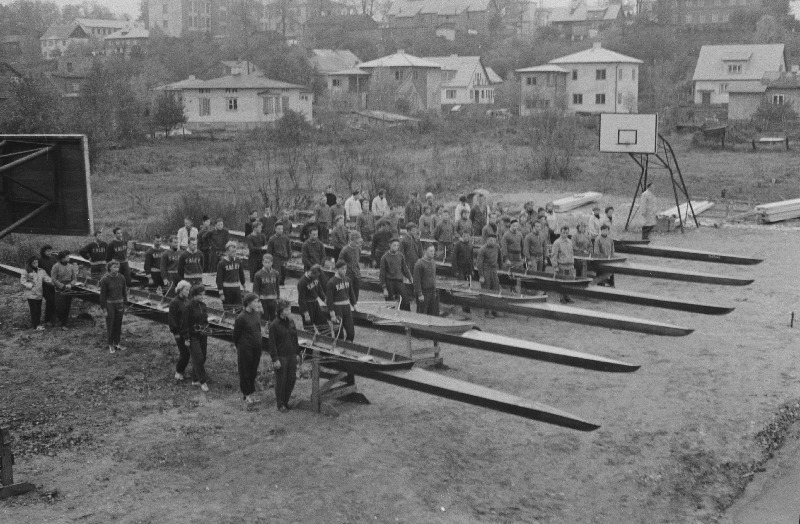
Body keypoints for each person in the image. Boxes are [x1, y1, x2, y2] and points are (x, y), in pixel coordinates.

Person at [268, 299, 300, 412]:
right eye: (287, 309)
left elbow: (295, 339)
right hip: (281, 357)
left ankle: (286, 401)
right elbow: (272, 344)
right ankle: (280, 404)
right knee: (281, 380)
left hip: (291, 355)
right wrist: (275, 359)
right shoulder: (274, 325)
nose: (289, 311)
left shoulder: (291, 322)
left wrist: (297, 353)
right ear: (281, 311)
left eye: (289, 309)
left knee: (291, 379)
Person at [233, 293, 263, 405]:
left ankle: (251, 393)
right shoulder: (241, 318)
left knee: (253, 371)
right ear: (248, 303)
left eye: (257, 301)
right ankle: (247, 394)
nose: (257, 303)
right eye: (255, 301)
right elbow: (235, 335)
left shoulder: (256, 314)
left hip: (256, 348)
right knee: (245, 371)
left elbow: (258, 329)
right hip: (246, 348)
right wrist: (240, 347)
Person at [181, 284, 210, 392]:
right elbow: (184, 324)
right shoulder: (188, 307)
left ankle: (195, 379)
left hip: (202, 335)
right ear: (194, 295)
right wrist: (186, 338)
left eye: (203, 294)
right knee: (198, 358)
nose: (202, 297)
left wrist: (206, 329)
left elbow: (205, 320)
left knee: (203, 356)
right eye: (200, 295)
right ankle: (203, 382)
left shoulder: (203, 305)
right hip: (193, 336)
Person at [99, 260, 128, 354]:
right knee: (110, 324)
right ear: (109, 268)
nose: (116, 269)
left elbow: (124, 292)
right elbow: (102, 295)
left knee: (118, 324)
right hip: (110, 304)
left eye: (117, 267)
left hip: (119, 304)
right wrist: (104, 309)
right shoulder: (105, 280)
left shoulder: (121, 277)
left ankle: (117, 343)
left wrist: (125, 304)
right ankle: (110, 344)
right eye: (114, 267)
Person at [327, 260, 357, 342]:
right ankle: (339, 351)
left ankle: (346, 349)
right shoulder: (331, 282)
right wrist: (332, 314)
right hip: (337, 309)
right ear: (337, 269)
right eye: (342, 269)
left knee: (351, 332)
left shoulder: (348, 280)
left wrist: (354, 304)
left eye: (345, 269)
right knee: (339, 333)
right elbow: (329, 300)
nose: (344, 270)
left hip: (347, 308)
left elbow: (351, 293)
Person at [168, 280, 192, 381]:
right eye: (186, 290)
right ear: (181, 290)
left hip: (187, 331)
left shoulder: (187, 300)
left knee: (187, 353)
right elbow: (172, 319)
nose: (188, 292)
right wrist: (176, 333)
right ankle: (178, 372)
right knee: (185, 353)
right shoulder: (174, 302)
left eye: (188, 290)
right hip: (179, 332)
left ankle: (181, 371)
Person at [20, 256, 51, 331]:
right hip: (31, 294)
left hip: (39, 293)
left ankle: (38, 324)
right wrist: (30, 286)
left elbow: (46, 278)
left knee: (39, 310)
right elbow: (23, 281)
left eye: (36, 262)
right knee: (34, 310)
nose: (36, 264)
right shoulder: (26, 271)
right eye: (34, 263)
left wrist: (53, 282)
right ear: (30, 263)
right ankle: (36, 325)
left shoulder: (41, 270)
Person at [380, 238, 412, 309]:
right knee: (390, 303)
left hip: (399, 281)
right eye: (394, 245)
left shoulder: (400, 256)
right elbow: (382, 274)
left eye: (397, 246)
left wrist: (410, 277)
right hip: (389, 282)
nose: (396, 247)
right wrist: (384, 288)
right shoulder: (385, 257)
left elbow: (405, 269)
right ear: (390, 245)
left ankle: (405, 315)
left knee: (406, 300)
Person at [51, 250, 78, 330]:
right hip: (60, 288)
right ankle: (58, 319)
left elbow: (74, 278)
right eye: (67, 256)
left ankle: (64, 323)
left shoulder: (71, 266)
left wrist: (71, 284)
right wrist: (62, 286)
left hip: (69, 288)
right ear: (62, 258)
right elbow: (53, 279)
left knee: (67, 306)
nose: (68, 258)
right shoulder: (56, 266)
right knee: (60, 306)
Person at [216, 241, 245, 314]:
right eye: (232, 252)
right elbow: (219, 278)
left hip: (236, 288)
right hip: (227, 289)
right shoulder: (222, 263)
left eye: (235, 251)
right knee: (228, 310)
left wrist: (243, 284)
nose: (234, 253)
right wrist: (221, 293)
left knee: (239, 309)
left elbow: (241, 273)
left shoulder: (238, 261)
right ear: (227, 251)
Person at [477, 233, 501, 316]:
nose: (493, 242)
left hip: (494, 270)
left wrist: (500, 270)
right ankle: (487, 312)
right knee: (486, 291)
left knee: (496, 290)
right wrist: (481, 276)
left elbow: (500, 259)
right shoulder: (482, 249)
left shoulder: (497, 247)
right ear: (487, 240)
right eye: (491, 240)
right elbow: (479, 264)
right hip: (486, 271)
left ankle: (495, 310)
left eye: (494, 240)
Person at [551, 226, 575, 303]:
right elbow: (554, 255)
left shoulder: (570, 241)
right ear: (560, 232)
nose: (565, 234)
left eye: (567, 233)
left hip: (569, 265)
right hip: (561, 266)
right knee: (561, 282)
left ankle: (567, 296)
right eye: (563, 233)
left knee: (569, 282)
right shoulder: (557, 242)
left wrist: (572, 263)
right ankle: (561, 298)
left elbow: (571, 253)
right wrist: (555, 266)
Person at [253, 254, 281, 322]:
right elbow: (256, 290)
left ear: (272, 262)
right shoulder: (258, 274)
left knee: (274, 319)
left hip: (273, 300)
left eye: (269, 262)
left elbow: (277, 287)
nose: (267, 264)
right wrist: (258, 303)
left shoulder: (276, 273)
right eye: (265, 262)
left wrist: (278, 298)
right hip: (263, 301)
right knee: (264, 319)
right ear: (262, 262)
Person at [297, 264, 325, 329]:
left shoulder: (316, 277)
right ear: (312, 273)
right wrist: (306, 314)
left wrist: (326, 301)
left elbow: (320, 292)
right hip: (307, 306)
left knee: (323, 326)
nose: (318, 277)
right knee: (309, 329)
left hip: (315, 304)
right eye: (317, 276)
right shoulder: (302, 282)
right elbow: (301, 300)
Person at [452, 230, 474, 314]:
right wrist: (455, 270)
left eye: (467, 236)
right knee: (461, 287)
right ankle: (462, 305)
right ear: (462, 236)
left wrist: (471, 270)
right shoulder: (458, 245)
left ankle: (466, 305)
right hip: (460, 269)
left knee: (468, 287)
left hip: (467, 269)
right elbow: (454, 258)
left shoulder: (470, 245)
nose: (466, 237)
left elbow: (471, 259)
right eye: (464, 236)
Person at [413, 244, 439, 316]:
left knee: (432, 314)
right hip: (424, 293)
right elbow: (416, 281)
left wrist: (435, 290)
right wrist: (420, 294)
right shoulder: (419, 264)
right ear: (425, 251)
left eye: (434, 251)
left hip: (432, 292)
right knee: (422, 314)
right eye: (431, 251)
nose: (433, 253)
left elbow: (434, 277)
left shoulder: (433, 262)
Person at [338, 232, 363, 303]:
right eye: (357, 241)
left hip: (357, 274)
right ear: (352, 240)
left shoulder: (358, 249)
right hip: (348, 275)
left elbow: (357, 260)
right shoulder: (345, 250)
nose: (358, 243)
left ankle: (355, 307)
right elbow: (340, 263)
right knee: (347, 294)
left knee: (356, 294)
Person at [38, 245, 58, 326]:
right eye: (48, 251)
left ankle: (54, 318)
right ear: (43, 252)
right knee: (49, 300)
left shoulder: (53, 259)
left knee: (55, 300)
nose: (50, 252)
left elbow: (57, 268)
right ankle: (47, 319)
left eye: (50, 250)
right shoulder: (40, 260)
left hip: (54, 282)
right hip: (44, 284)